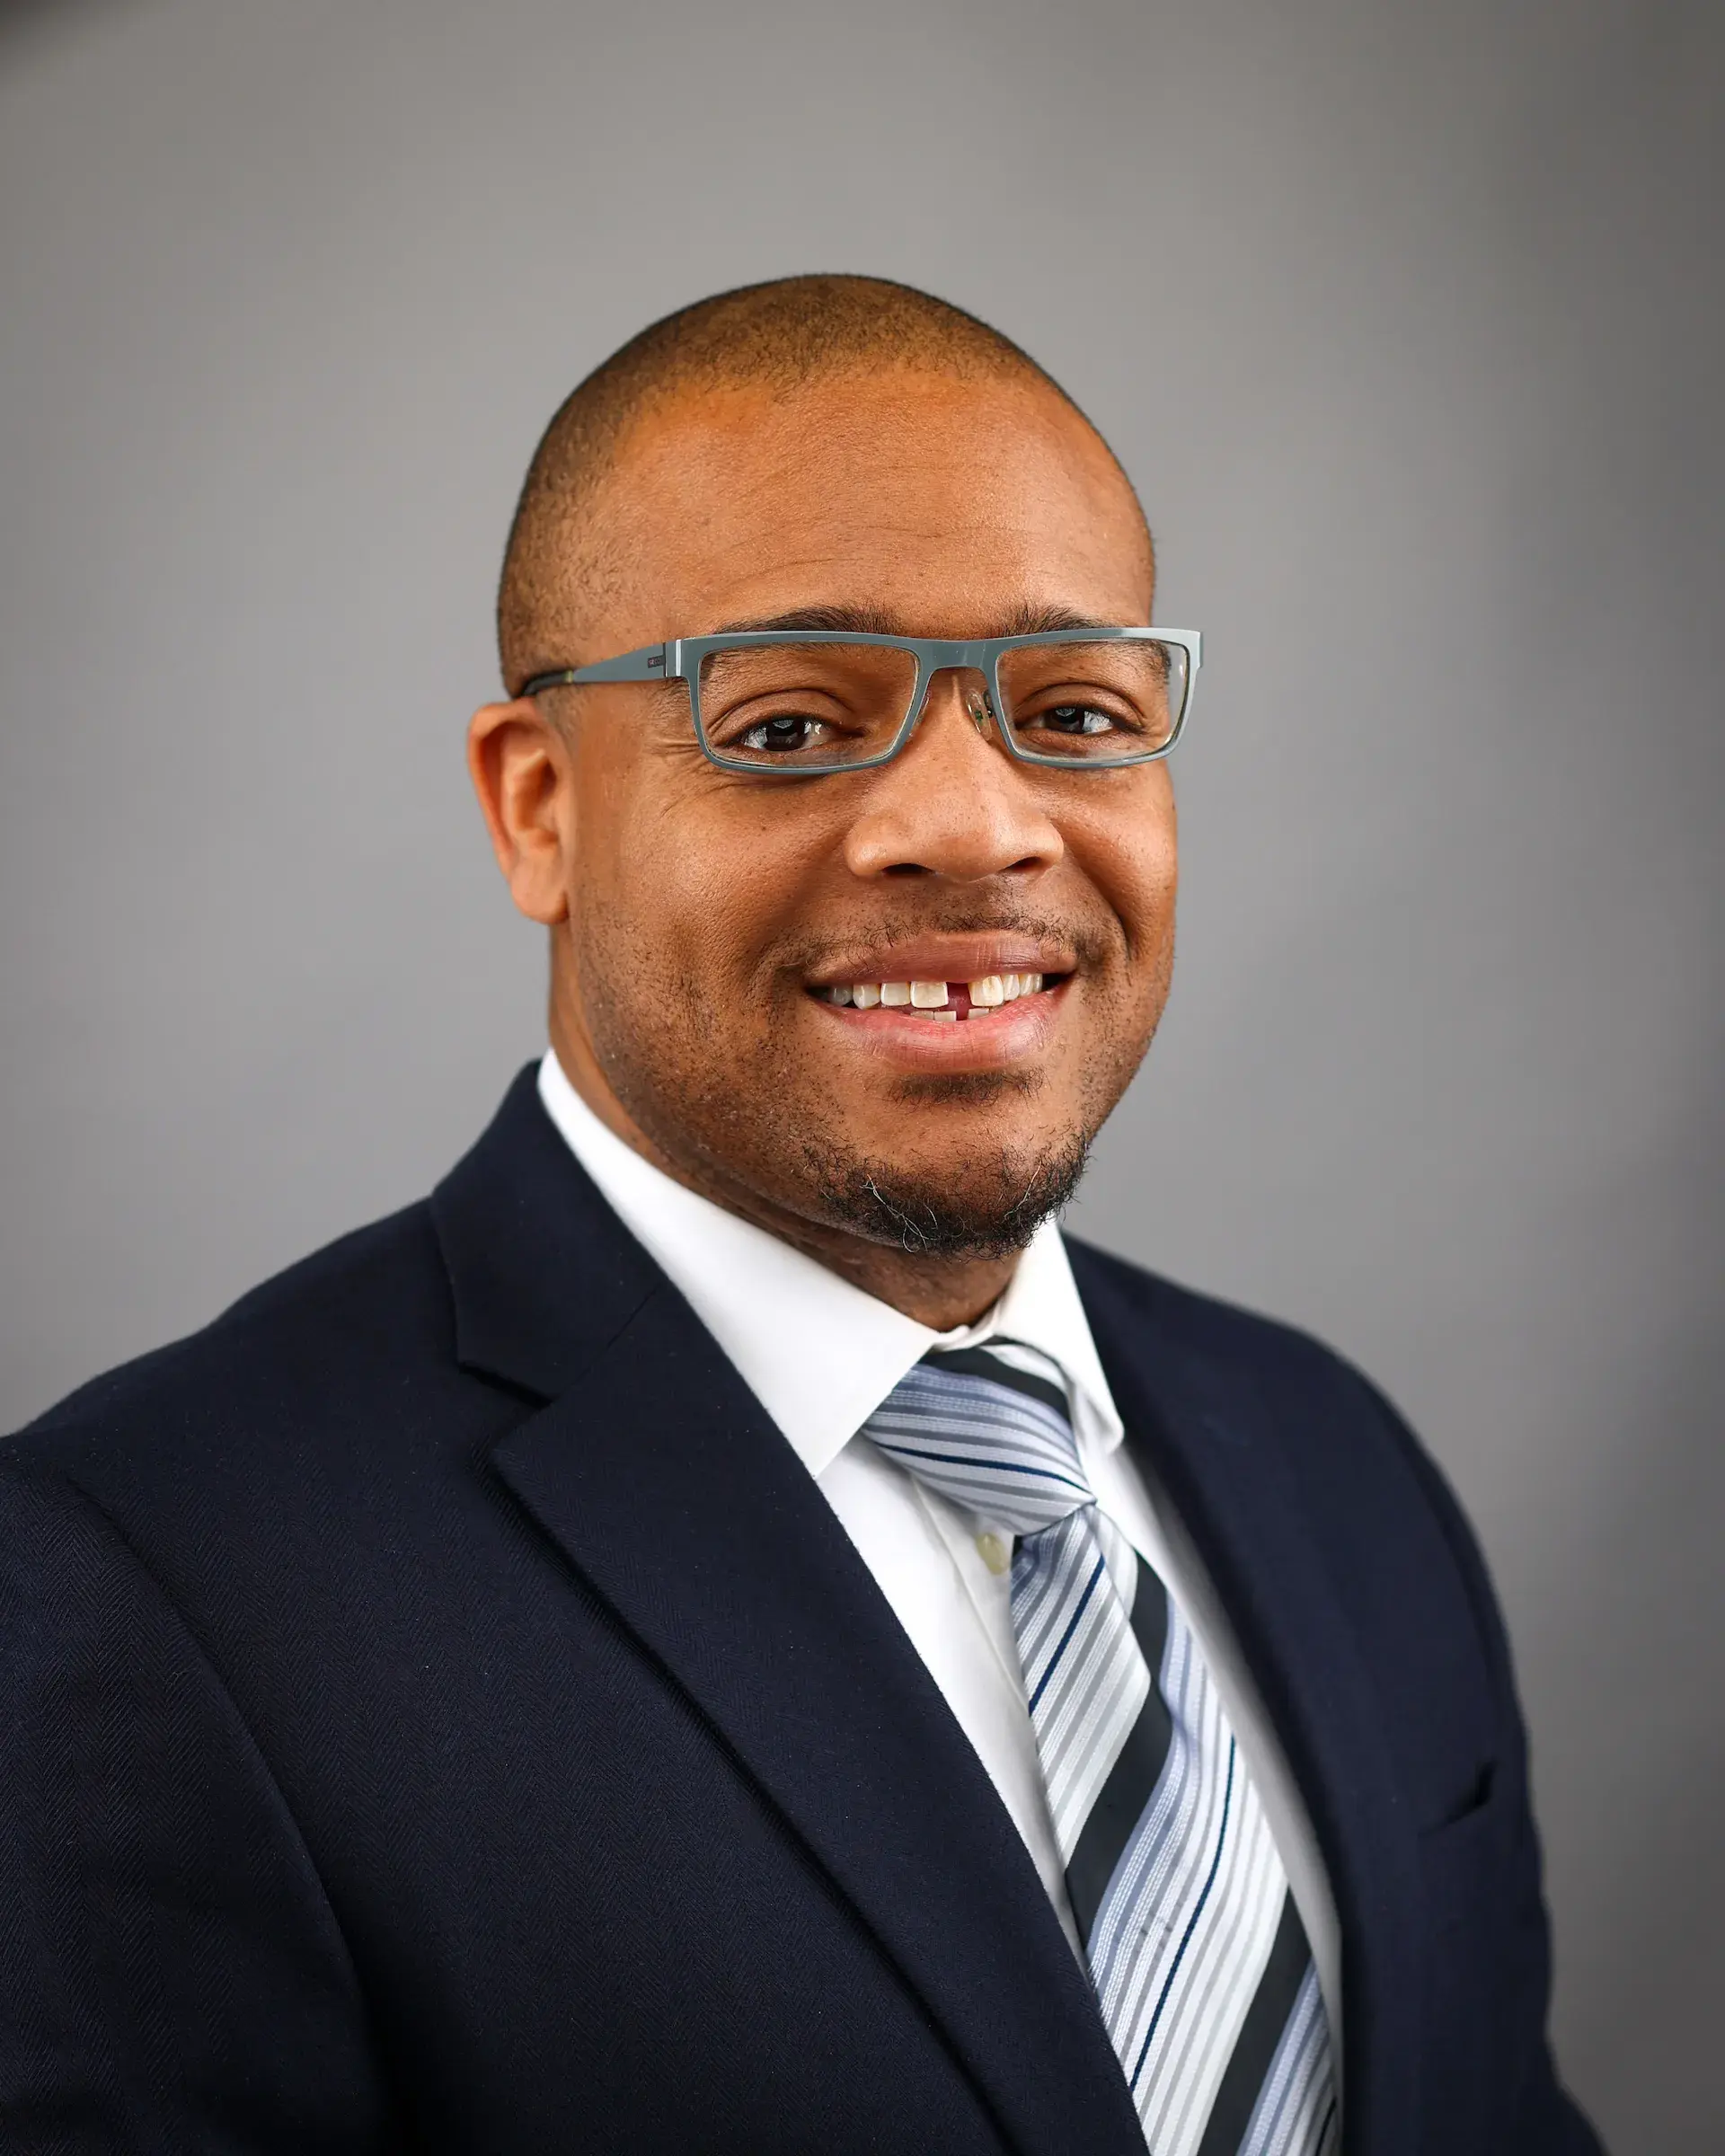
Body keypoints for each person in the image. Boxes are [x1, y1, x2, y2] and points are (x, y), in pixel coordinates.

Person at [0, 276, 1602, 2156]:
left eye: (1076, 708)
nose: (975, 825)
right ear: (540, 811)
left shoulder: (1336, 1462)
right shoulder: (147, 1594)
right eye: (784, 728)